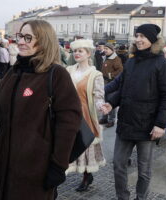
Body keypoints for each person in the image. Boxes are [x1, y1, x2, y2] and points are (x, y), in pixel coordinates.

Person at [0, 20, 82, 200]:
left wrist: (58, 166)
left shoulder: (56, 74)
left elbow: (68, 123)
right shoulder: (13, 73)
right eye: (20, 36)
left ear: (43, 41)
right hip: (6, 167)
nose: (20, 42)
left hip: (37, 170)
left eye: (28, 38)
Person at [101, 24, 166, 200]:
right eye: (137, 35)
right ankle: (123, 197)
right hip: (126, 121)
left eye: (143, 36)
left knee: (144, 170)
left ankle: (141, 198)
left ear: (153, 40)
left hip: (147, 125)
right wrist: (110, 102)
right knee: (118, 165)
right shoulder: (131, 61)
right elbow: (121, 87)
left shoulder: (162, 64)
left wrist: (160, 124)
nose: (138, 39)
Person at [65, 39, 106, 192]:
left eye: (80, 51)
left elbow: (98, 96)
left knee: (84, 144)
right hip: (67, 114)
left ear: (88, 53)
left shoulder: (96, 74)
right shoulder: (68, 70)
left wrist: (101, 106)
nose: (76, 53)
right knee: (66, 143)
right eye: (75, 51)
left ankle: (87, 175)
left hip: (85, 115)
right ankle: (63, 170)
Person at [99, 43, 123, 128]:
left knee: (111, 100)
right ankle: (104, 117)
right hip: (104, 82)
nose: (105, 50)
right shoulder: (106, 58)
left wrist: (110, 75)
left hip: (112, 83)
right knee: (104, 100)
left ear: (112, 50)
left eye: (107, 49)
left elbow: (120, 70)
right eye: (104, 48)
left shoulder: (116, 59)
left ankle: (111, 120)